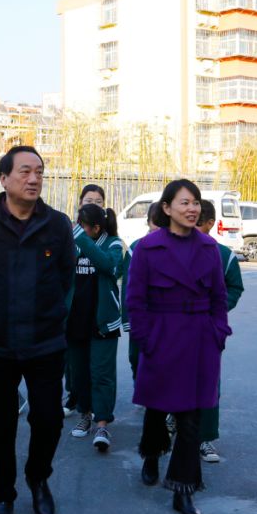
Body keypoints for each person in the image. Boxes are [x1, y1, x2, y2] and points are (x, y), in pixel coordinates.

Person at [0, 146, 76, 514]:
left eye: (39, 172)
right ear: (4, 178)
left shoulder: (57, 224)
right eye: (24, 171)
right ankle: (3, 495)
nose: (34, 179)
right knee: (1, 425)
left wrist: (49, 311)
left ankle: (38, 478)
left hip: (44, 341)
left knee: (49, 418)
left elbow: (65, 276)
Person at [125, 179, 231, 514]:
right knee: (157, 407)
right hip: (162, 336)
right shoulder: (147, 248)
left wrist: (218, 332)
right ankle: (152, 455)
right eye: (184, 202)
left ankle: (183, 489)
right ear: (167, 208)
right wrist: (146, 339)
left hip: (200, 339)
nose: (192, 208)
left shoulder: (209, 248)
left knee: (191, 418)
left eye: (196, 202)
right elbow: (135, 300)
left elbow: (219, 297)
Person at [67, 203, 125, 452]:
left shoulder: (113, 244)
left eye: (82, 225)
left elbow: (109, 266)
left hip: (102, 322)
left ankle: (102, 424)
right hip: (76, 321)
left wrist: (81, 239)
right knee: (79, 374)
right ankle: (85, 414)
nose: (78, 229)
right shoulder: (76, 243)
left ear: (96, 228)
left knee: (102, 375)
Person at [193, 200, 244, 464]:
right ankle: (172, 423)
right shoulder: (170, 249)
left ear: (210, 224)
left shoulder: (224, 255)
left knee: (209, 384)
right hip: (174, 332)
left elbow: (235, 287)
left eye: (198, 221)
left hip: (209, 332)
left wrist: (217, 309)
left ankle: (205, 438)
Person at [63, 184, 108, 417]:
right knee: (73, 362)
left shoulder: (110, 240)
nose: (92, 203)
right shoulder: (70, 234)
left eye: (98, 201)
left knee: (98, 367)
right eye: (88, 200)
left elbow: (111, 267)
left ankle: (97, 412)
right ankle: (75, 398)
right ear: (79, 203)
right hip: (75, 309)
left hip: (98, 313)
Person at [121, 200, 161, 381]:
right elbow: (128, 286)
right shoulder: (136, 248)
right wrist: (128, 318)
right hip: (141, 316)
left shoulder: (177, 248)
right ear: (148, 222)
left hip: (165, 318)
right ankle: (142, 384)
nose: (159, 228)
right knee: (136, 357)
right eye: (155, 223)